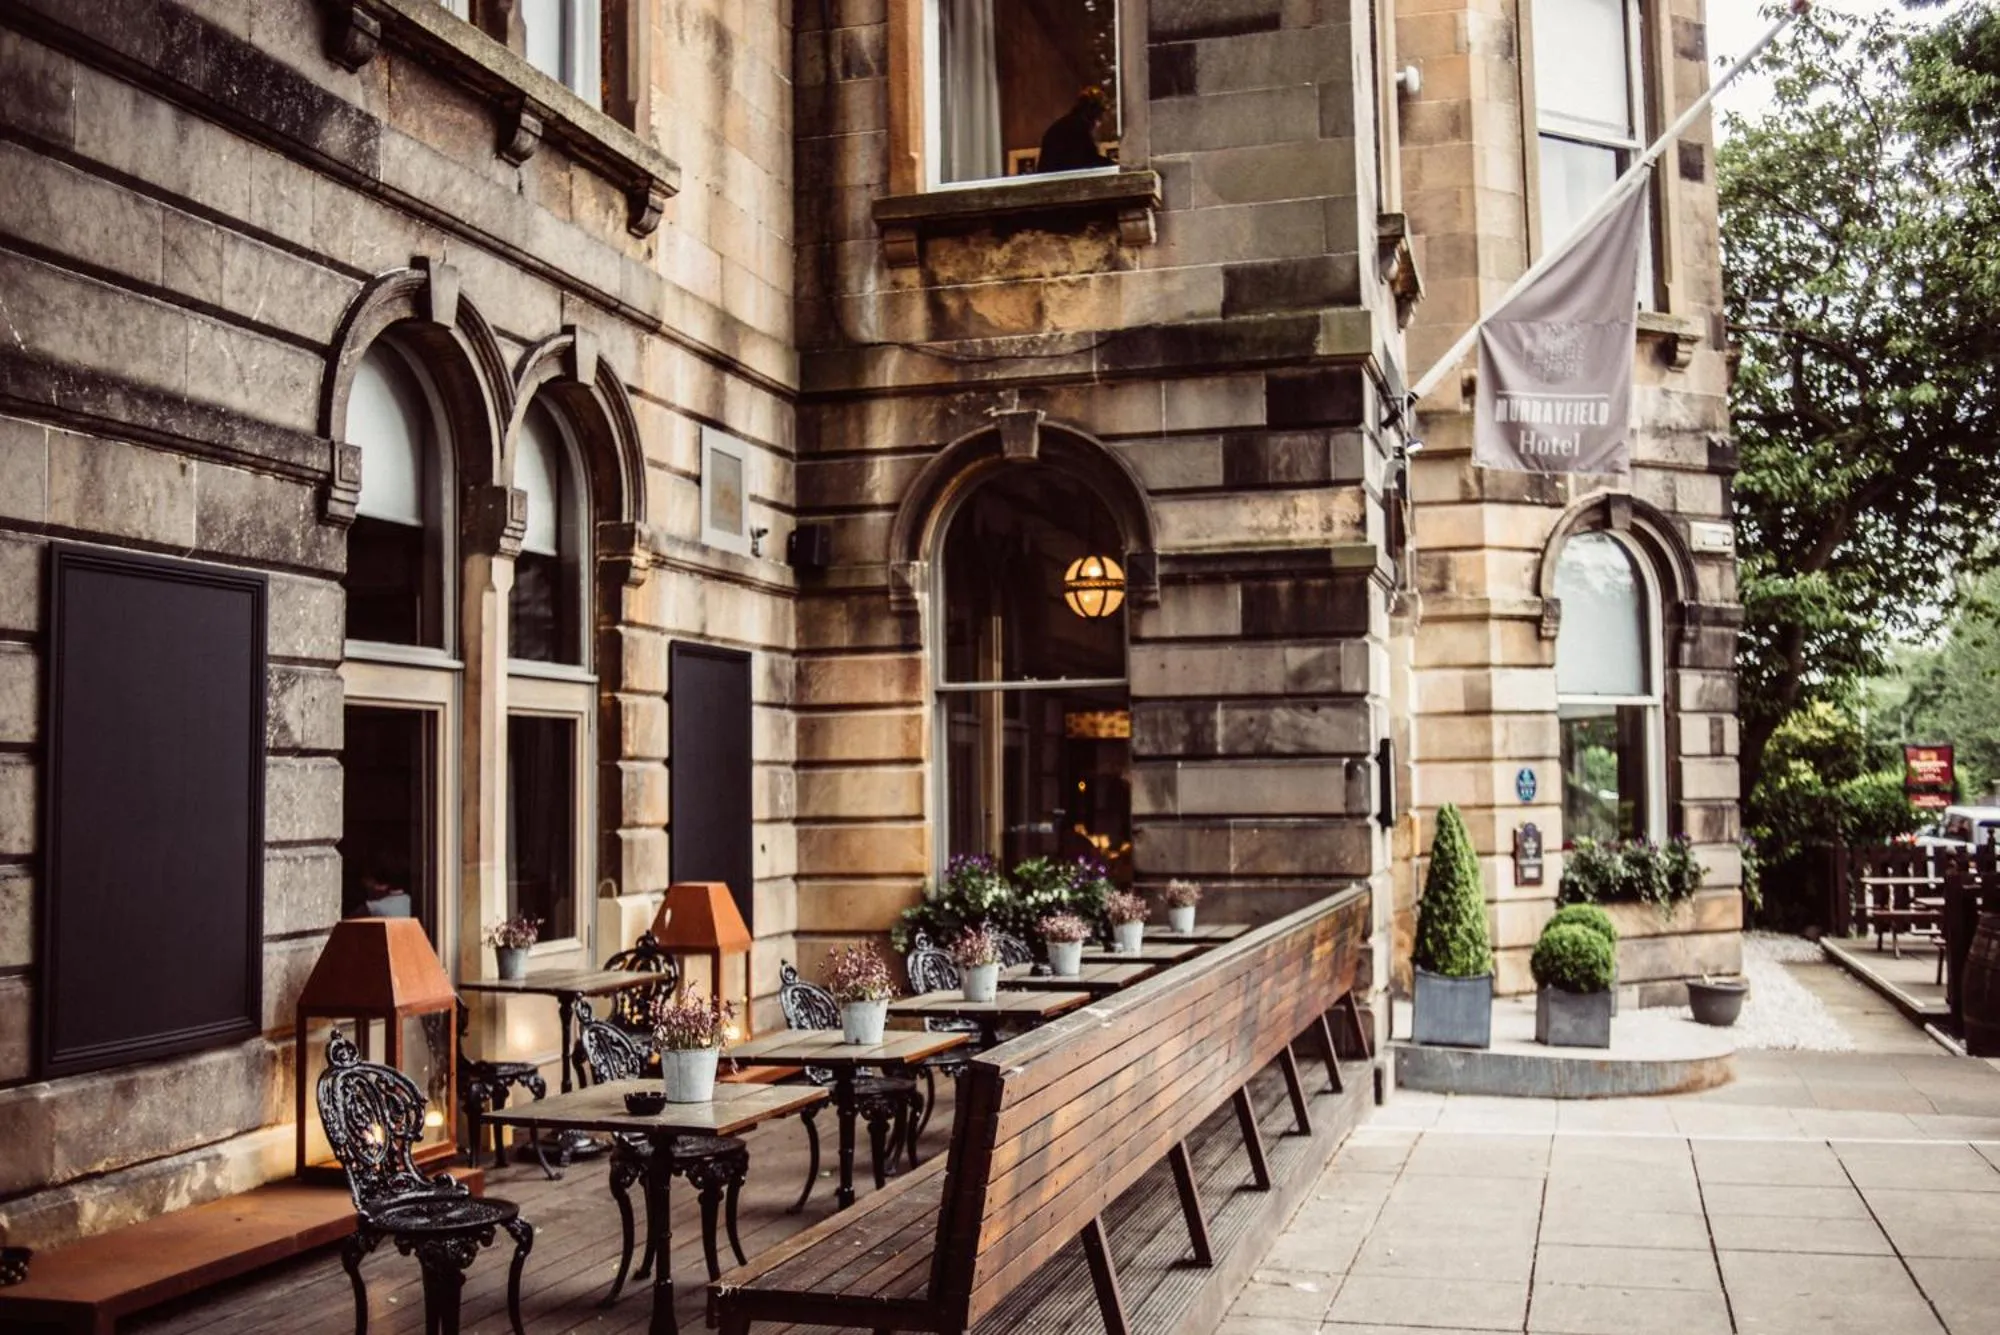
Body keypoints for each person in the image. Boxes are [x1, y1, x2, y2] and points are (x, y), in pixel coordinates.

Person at [1036, 87, 1113, 173]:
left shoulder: (1068, 125)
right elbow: (1087, 161)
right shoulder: (1076, 129)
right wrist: (1113, 166)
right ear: (1094, 111)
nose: (1102, 120)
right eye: (1101, 113)